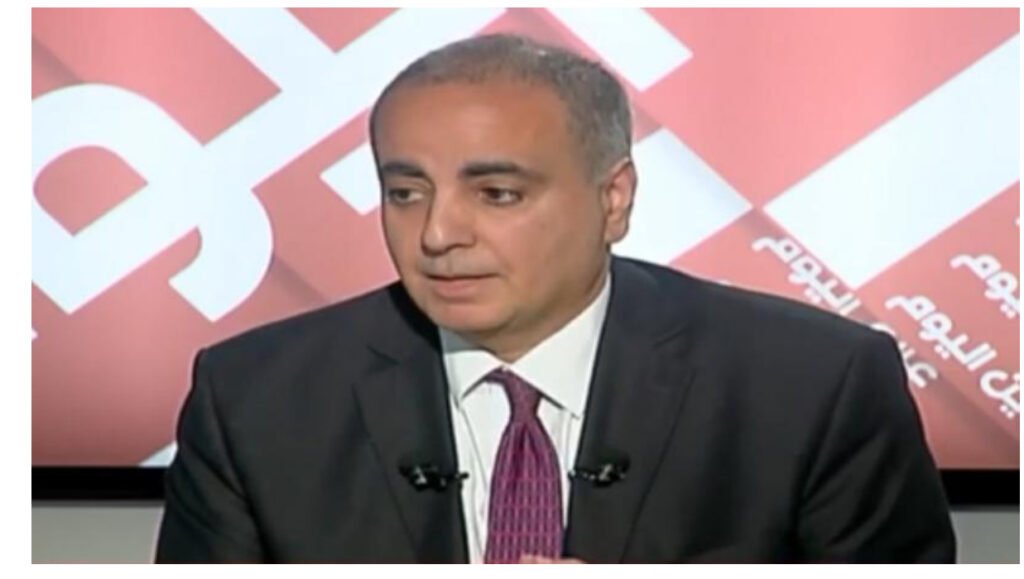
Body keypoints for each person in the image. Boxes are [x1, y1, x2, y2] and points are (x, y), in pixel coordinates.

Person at [155, 33, 955, 563]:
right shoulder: (255, 400)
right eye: (405, 192)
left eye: (497, 194)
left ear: (614, 198)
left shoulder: (812, 388)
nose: (437, 233)